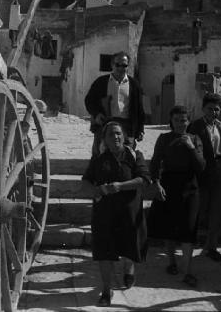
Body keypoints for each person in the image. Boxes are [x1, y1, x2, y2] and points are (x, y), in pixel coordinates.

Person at [82, 121, 150, 306]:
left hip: (129, 212)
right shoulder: (99, 159)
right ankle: (106, 290)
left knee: (129, 247)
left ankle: (129, 269)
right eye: (111, 134)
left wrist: (120, 186)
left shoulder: (135, 156)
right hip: (105, 214)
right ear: (104, 139)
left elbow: (143, 179)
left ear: (124, 136)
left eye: (118, 133)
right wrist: (97, 190)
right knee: (105, 252)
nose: (116, 137)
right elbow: (86, 181)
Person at [148, 105, 206, 288]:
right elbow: (156, 162)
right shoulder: (164, 139)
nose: (181, 124)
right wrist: (156, 183)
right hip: (169, 185)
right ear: (171, 122)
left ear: (188, 122)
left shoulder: (195, 139)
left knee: (189, 229)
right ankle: (172, 261)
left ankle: (188, 270)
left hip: (190, 186)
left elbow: (201, 166)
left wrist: (190, 148)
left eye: (184, 120)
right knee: (170, 227)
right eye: (177, 120)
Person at [187, 93, 221, 262]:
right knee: (200, 209)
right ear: (203, 109)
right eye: (210, 109)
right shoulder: (194, 127)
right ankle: (191, 244)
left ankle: (212, 246)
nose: (213, 112)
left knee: (218, 210)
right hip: (202, 171)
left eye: (217, 109)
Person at [84, 51, 145, 156]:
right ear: (112, 65)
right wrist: (96, 114)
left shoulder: (134, 85)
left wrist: (140, 129)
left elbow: (139, 108)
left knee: (127, 157)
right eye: (118, 65)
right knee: (100, 155)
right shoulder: (101, 82)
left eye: (124, 65)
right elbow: (89, 100)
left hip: (127, 126)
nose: (121, 68)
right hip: (105, 124)